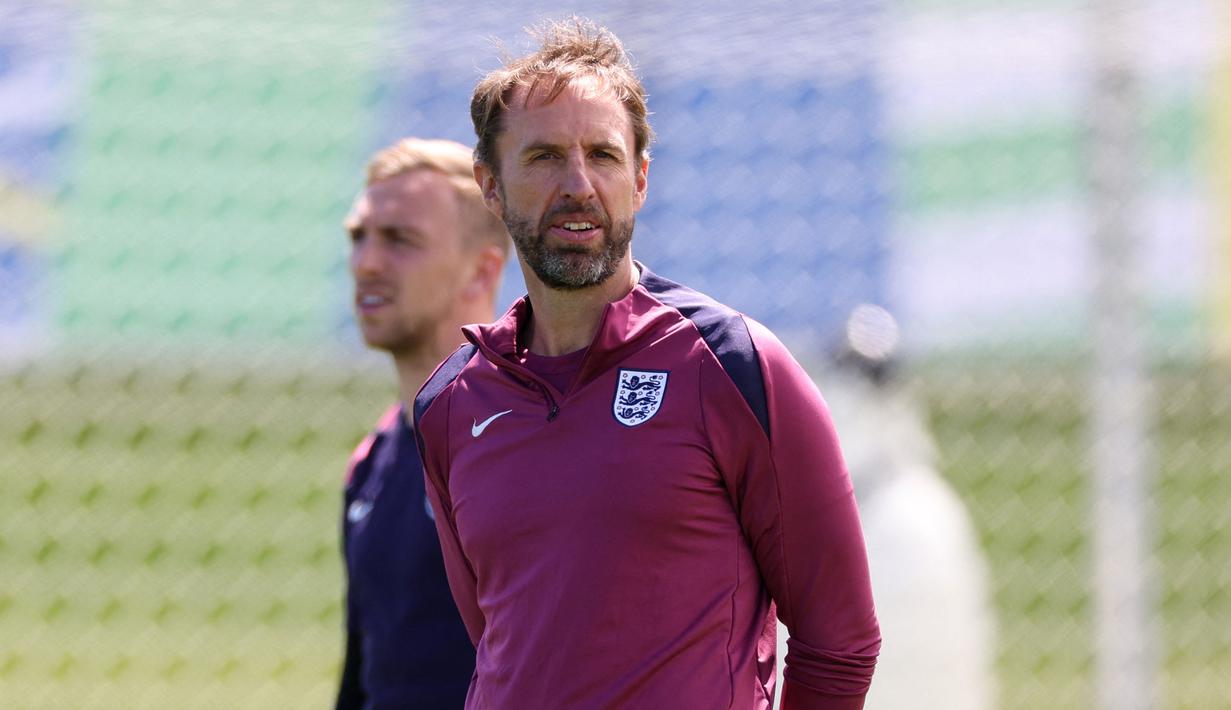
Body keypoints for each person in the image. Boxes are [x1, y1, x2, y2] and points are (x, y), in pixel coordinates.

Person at [414, 17, 880, 709]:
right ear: (489, 183)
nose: (577, 184)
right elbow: (495, 638)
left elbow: (839, 643)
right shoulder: (450, 403)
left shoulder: (734, 366)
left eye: (601, 156)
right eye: (542, 157)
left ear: (639, 178)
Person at [336, 137, 510, 709]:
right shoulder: (371, 461)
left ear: (481, 272)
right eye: (359, 237)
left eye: (400, 240)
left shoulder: (525, 446)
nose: (367, 263)